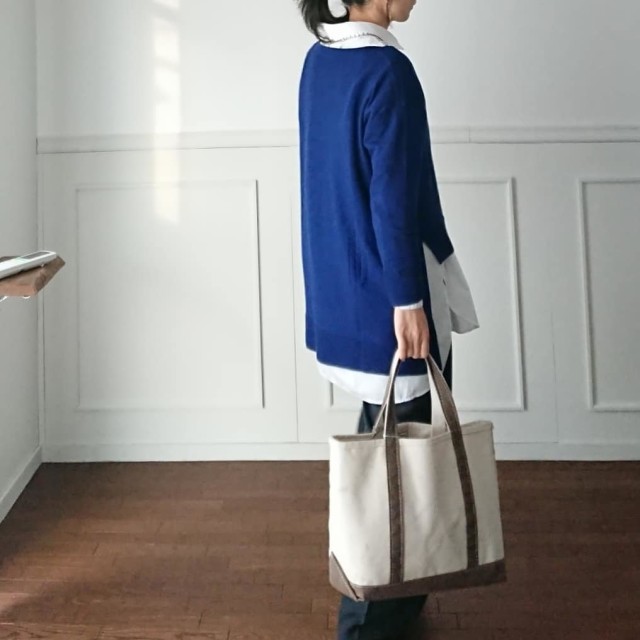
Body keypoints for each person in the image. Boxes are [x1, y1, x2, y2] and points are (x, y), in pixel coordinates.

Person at [296, 1, 480, 638]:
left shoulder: (320, 59)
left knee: (390, 452)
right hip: (391, 301)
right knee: (393, 466)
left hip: (345, 295)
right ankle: (367, 622)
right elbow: (391, 198)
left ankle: (401, 597)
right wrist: (408, 301)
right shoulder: (386, 71)